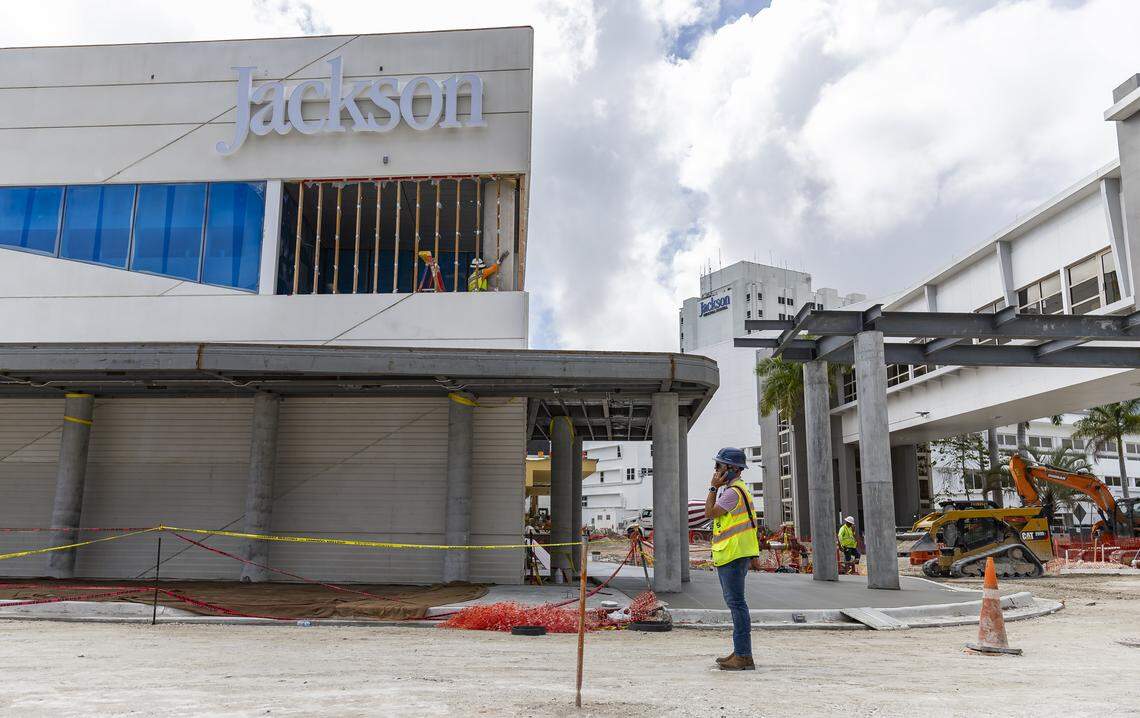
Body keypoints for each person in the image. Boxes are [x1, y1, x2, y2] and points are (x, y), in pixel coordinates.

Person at [704, 447, 760, 671]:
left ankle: (744, 655)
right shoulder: (737, 489)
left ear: (732, 469)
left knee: (737, 604)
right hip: (735, 553)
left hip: (733, 553)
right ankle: (740, 652)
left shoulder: (731, 493)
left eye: (719, 466)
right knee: (736, 603)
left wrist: (712, 487)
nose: (716, 469)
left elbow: (709, 512)